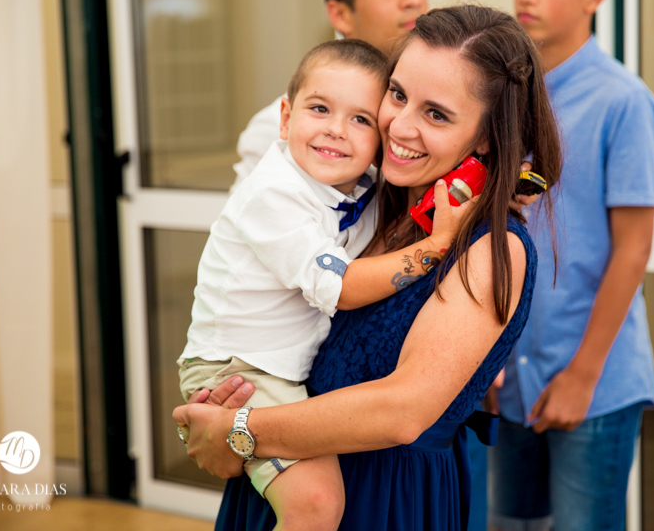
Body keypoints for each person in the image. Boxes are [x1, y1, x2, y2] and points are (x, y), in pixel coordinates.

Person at [173, 4, 563, 531]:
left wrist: (239, 432)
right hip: (290, 478)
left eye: (437, 114)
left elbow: (403, 411)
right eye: (398, 95)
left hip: (383, 503)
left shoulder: (493, 249)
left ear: (488, 137)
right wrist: (223, 412)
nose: (399, 125)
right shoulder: (372, 204)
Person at [178, 39, 466, 530]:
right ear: (286, 117)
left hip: (281, 371)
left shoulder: (360, 186)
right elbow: (346, 286)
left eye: (360, 120)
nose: (336, 129)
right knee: (316, 505)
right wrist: (436, 246)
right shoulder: (273, 194)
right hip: (239, 370)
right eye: (319, 109)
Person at [487, 0, 654, 530]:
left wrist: (582, 376)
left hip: (593, 381)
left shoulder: (624, 101)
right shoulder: (503, 98)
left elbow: (633, 249)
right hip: (508, 378)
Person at [231, 0, 428, 191]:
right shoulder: (277, 130)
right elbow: (251, 224)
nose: (414, 0)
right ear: (340, 15)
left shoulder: (420, 114)